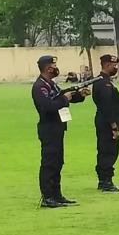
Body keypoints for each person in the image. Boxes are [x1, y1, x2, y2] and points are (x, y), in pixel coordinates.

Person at [33, 55, 87, 208]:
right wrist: (66, 99)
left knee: (57, 162)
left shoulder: (51, 84)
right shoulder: (40, 87)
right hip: (48, 128)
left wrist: (78, 95)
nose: (56, 68)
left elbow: (61, 96)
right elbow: (48, 106)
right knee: (49, 163)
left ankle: (57, 194)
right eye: (54, 65)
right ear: (48, 68)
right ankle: (48, 197)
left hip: (57, 127)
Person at [92, 54, 119, 192]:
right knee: (108, 151)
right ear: (106, 65)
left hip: (106, 122)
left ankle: (105, 180)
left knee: (109, 151)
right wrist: (113, 126)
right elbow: (107, 106)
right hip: (107, 123)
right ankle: (105, 181)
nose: (115, 67)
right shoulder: (103, 82)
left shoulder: (106, 81)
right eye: (113, 65)